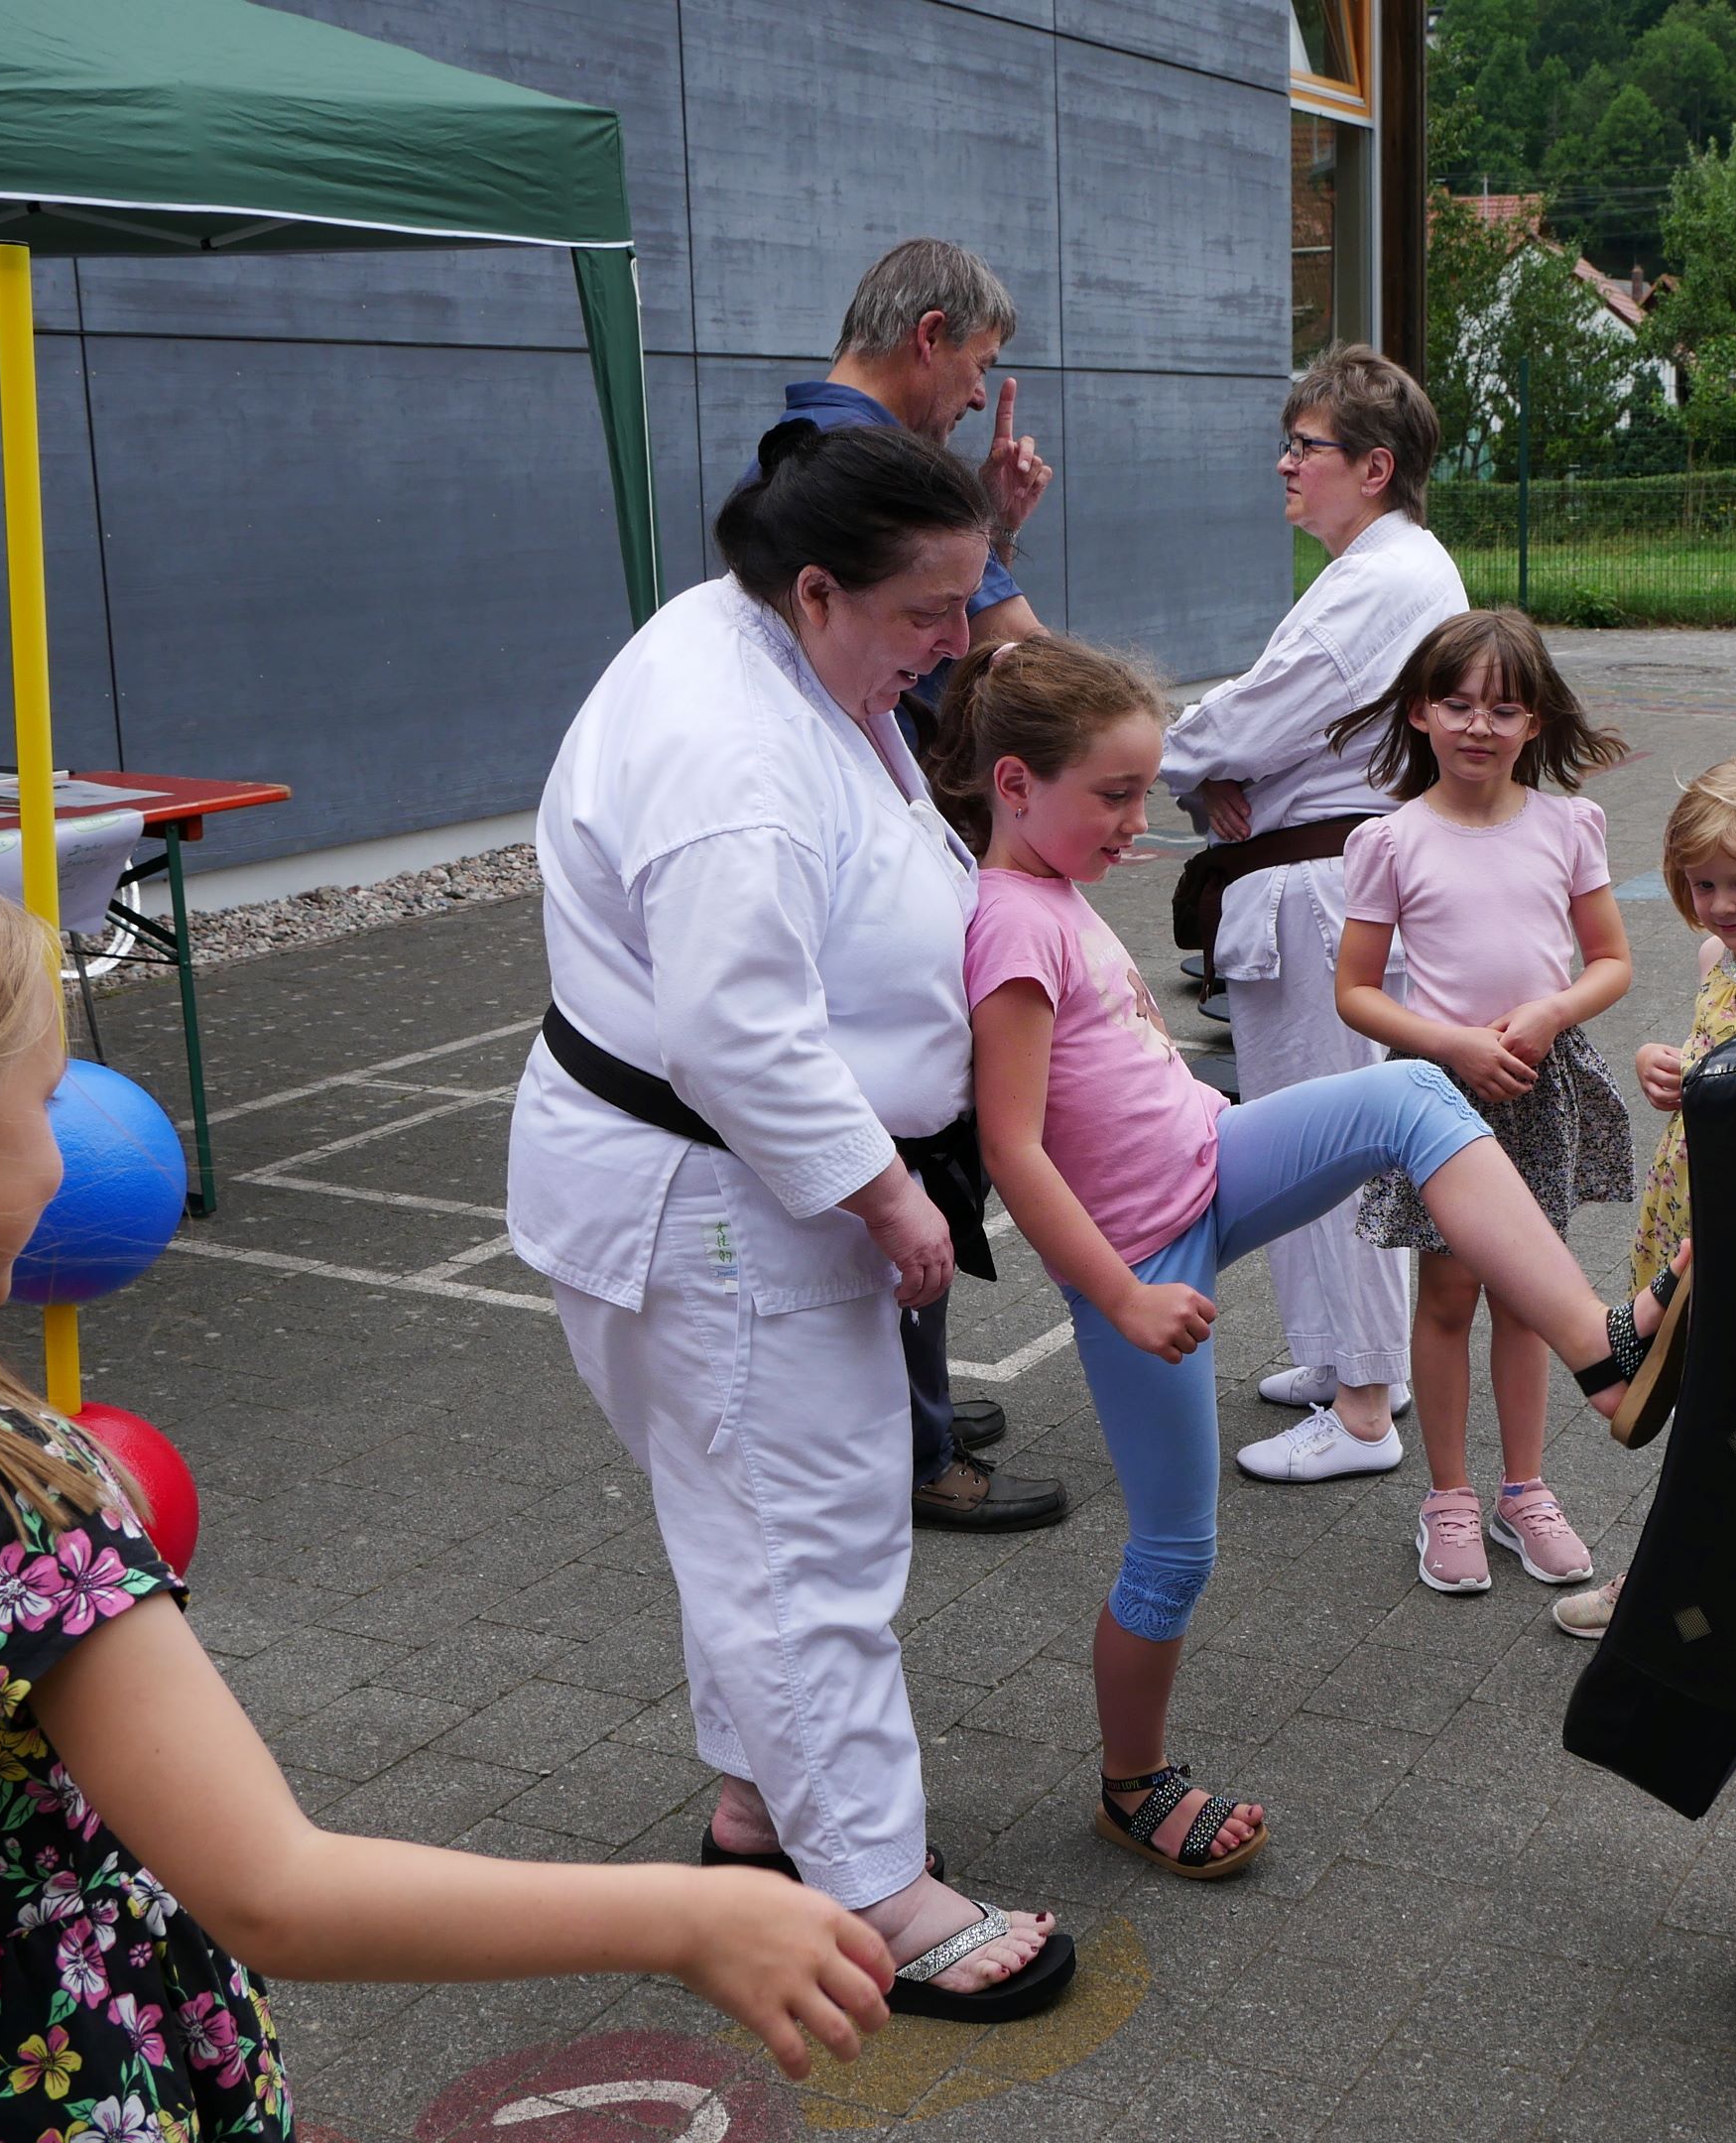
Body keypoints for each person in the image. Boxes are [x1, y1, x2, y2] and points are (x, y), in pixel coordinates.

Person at [0, 828, 895, 2142]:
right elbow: (276, 1891)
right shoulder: (7, 1501)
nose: (67, 1135)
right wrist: (682, 1918)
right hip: (47, 2076)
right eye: (49, 1096)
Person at [940, 634, 1669, 1879]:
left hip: (1213, 1162)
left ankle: (1601, 1352)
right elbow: (1012, 1151)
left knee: (1407, 1099)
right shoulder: (1010, 925)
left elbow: (1120, 1073)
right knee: (1176, 1548)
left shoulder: (1055, 894)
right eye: (1113, 796)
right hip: (1142, 1254)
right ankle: (1133, 1782)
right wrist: (1119, 1297)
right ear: (1013, 786)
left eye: (1142, 791)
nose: (1137, 821)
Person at [511, 421, 1071, 2019]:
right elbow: (737, 1028)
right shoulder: (731, 757)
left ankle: (763, 1808)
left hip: (708, 1182)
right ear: (816, 588)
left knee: (744, 1517)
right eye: (925, 613)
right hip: (712, 1199)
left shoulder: (769, 629)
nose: (955, 646)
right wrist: (891, 1194)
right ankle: (874, 1887)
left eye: (969, 600)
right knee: (803, 1540)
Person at [761, 236, 1065, 1534]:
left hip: (880, 811)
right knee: (911, 1129)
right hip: (878, 827)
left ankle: (913, 1402)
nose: (971, 396)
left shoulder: (817, 445)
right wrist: (1116, 760)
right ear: (930, 335)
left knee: (914, 1115)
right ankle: (912, 1437)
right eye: (977, 367)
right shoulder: (864, 465)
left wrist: (987, 518)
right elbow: (1020, 666)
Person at [1158, 346, 1468, 1485]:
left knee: (1332, 1140)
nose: (1286, 464)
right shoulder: (1373, 570)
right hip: (1306, 882)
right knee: (1302, 1130)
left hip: (1321, 889)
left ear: (1375, 466)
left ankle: (1363, 1403)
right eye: (1288, 442)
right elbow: (1249, 733)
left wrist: (1181, 758)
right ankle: (1336, 1356)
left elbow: (1245, 724)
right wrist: (1209, 769)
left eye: (1309, 447)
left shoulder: (1384, 580)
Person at [1326, 610, 1636, 1594]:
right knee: (1450, 1294)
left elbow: (1614, 962)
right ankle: (1448, 1497)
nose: (1477, 726)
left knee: (1527, 1299)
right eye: (1456, 704)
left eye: (1503, 708)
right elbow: (1357, 990)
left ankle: (1524, 1492)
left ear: (1535, 720)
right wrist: (1455, 1041)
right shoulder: (1390, 839)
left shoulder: (1566, 825)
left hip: (1540, 1084)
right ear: (1419, 712)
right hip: (1441, 1101)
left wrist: (1548, 1012)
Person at [1553, 753, 1736, 1645]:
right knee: (1701, 1410)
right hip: (1689, 1212)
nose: (1722, 904)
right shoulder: (1716, 956)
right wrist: (1664, 1068)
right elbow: (1710, 1061)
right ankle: (1674, 1576)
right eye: (1701, 883)